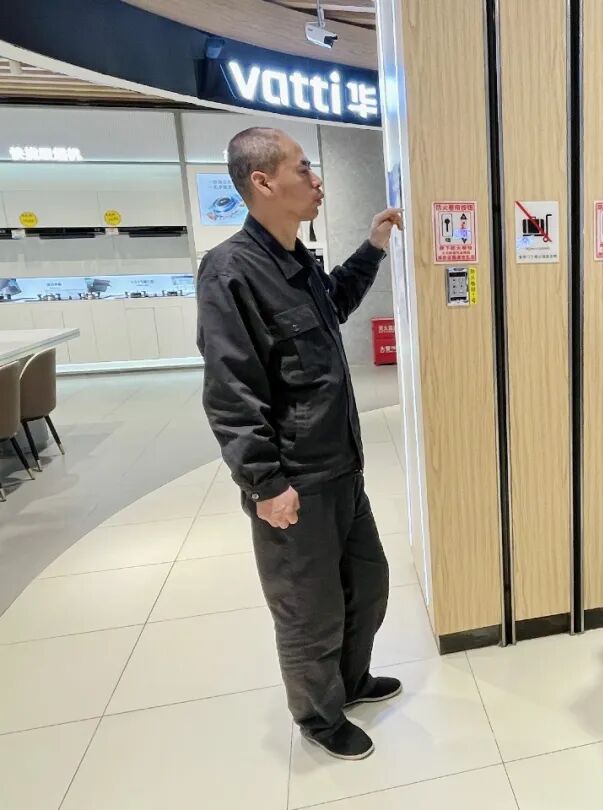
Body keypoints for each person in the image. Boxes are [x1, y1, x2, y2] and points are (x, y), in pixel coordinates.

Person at [196, 127, 404, 761]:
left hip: (341, 468)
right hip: (294, 481)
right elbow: (231, 391)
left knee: (367, 584)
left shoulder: (297, 259)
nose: (317, 181)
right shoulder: (230, 271)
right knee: (309, 611)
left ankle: (351, 680)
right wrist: (265, 483)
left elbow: (334, 303)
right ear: (263, 182)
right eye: (304, 169)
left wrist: (373, 246)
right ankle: (318, 715)